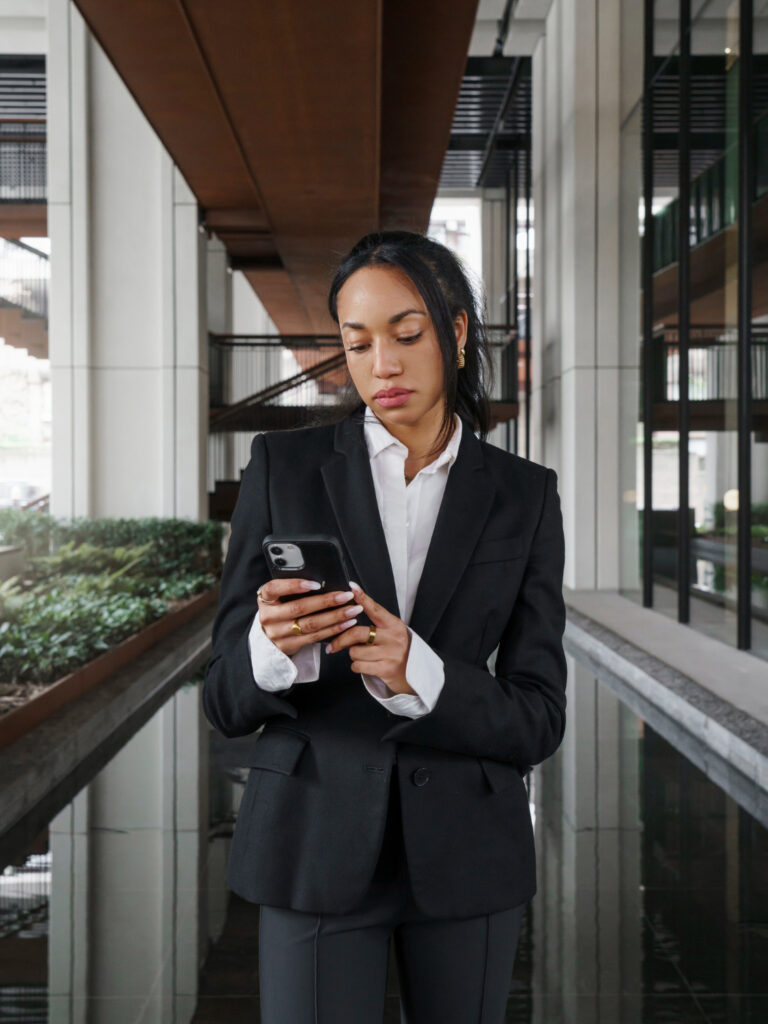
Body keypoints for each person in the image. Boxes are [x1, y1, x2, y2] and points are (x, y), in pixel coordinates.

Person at [202, 229, 567, 1023]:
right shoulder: (282, 467)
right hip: (312, 838)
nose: (383, 365)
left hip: (470, 849)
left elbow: (540, 715)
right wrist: (272, 648)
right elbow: (223, 700)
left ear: (458, 332)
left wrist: (420, 672)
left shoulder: (524, 495)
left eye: (407, 334)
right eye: (357, 343)